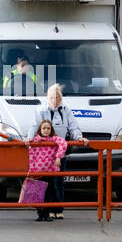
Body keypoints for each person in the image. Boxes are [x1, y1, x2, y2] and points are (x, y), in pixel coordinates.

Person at [29, 83, 85, 219]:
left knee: (59, 181)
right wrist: (29, 140)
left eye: (58, 98)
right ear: (48, 98)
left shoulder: (66, 110)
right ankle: (46, 210)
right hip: (44, 153)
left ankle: (58, 208)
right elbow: (34, 126)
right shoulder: (41, 110)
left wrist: (79, 137)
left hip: (60, 152)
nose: (55, 101)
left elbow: (73, 127)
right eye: (53, 98)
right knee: (46, 182)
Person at [26, 119, 67, 222]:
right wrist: (31, 170)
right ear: (40, 129)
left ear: (51, 129)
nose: (46, 130)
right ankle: (40, 214)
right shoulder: (35, 140)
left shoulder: (53, 139)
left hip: (50, 170)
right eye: (44, 128)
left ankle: (47, 214)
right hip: (37, 171)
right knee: (38, 193)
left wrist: (58, 157)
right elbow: (31, 153)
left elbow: (63, 143)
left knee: (49, 193)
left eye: (48, 128)